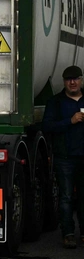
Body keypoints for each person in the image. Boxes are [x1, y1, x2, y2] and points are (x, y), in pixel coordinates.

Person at [42, 65, 84, 249]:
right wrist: (70, 121)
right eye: (68, 79)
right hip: (65, 158)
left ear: (81, 80)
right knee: (66, 197)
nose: (72, 82)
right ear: (64, 81)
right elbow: (47, 126)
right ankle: (68, 233)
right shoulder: (56, 102)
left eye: (76, 79)